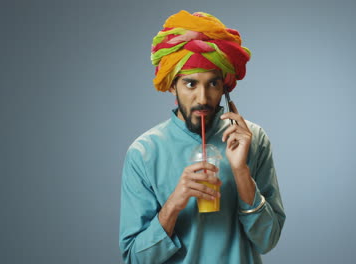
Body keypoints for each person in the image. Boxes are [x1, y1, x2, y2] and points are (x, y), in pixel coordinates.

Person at [119, 10, 285, 263]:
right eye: (190, 84)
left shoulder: (253, 140)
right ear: (172, 85)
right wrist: (174, 202)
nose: (203, 98)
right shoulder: (144, 152)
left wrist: (240, 170)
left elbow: (268, 240)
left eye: (213, 84)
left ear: (225, 88)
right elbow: (134, 258)